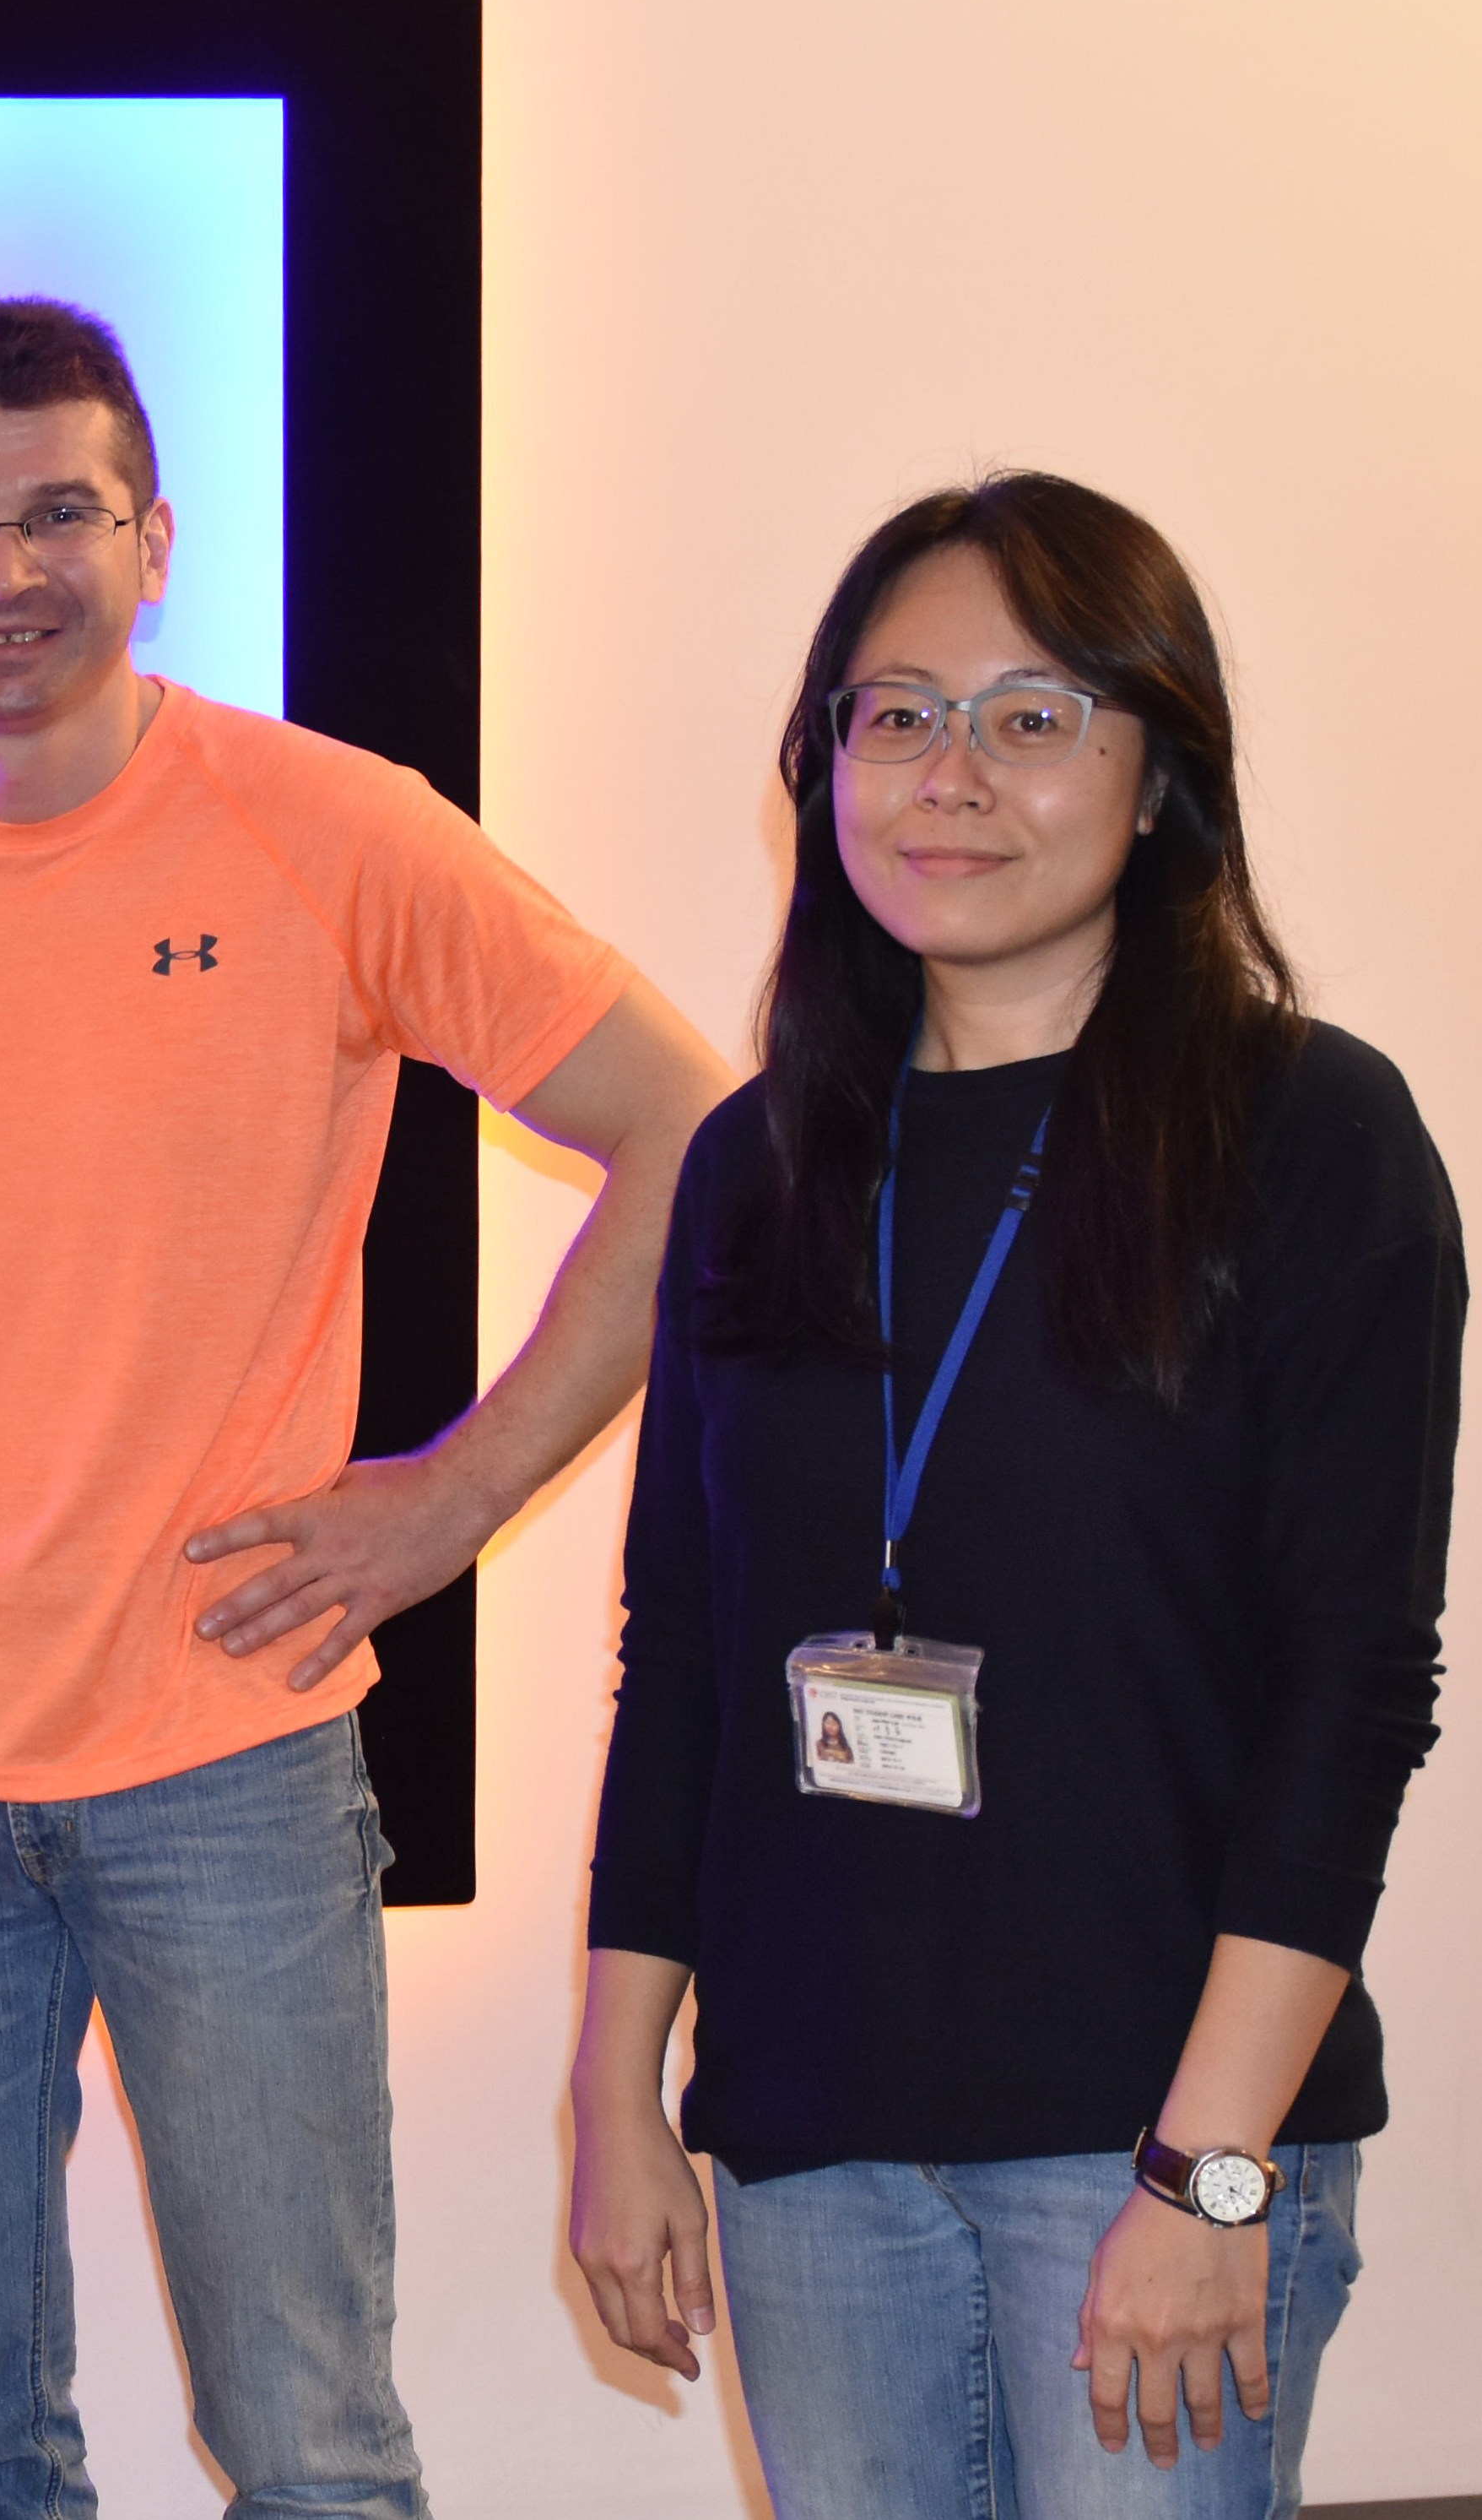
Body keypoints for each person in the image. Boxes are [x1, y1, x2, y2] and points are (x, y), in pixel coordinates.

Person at [0, 295, 729, 2517]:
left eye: (61, 513)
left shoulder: (329, 830)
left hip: (232, 1759)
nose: (5, 569)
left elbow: (694, 1127)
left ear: (155, 538)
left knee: (308, 2439)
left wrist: (457, 1495)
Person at [567, 474, 1454, 2517]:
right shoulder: (755, 1166)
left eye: (1034, 717)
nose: (951, 774)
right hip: (808, 2139)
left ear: (1159, 779)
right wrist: (617, 2094)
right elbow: (682, 1655)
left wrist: (1210, 2170)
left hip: (1149, 2135)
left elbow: (1352, 1693)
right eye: (896, 715)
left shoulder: (1309, 1136)